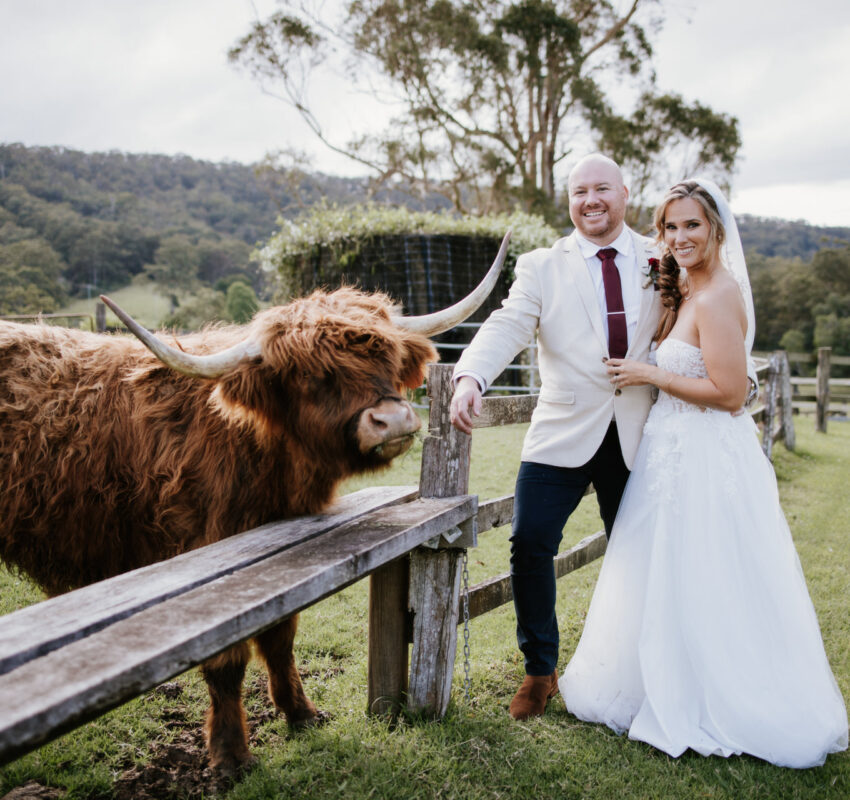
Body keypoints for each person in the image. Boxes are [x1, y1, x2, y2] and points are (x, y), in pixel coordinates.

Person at [558, 179, 849, 767]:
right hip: (671, 452)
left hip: (706, 457)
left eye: (692, 225)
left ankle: (718, 695)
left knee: (710, 571)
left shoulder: (717, 297)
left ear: (716, 228)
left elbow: (731, 395)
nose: (680, 237)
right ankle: (657, 681)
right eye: (670, 227)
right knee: (664, 571)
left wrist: (651, 374)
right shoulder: (686, 287)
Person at [450, 153, 663, 720]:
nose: (590, 201)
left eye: (601, 189)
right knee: (530, 543)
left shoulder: (661, 258)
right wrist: (471, 376)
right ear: (568, 201)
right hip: (561, 430)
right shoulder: (542, 265)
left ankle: (641, 667)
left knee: (637, 552)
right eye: (578, 192)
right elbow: (509, 324)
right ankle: (540, 670)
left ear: (624, 194)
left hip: (641, 431)